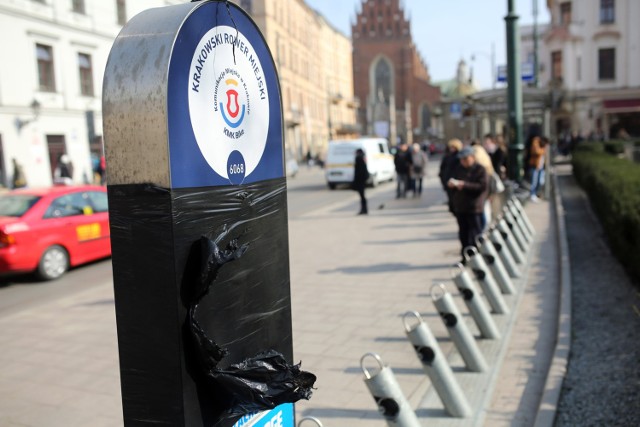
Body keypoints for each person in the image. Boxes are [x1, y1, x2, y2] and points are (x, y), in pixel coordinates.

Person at [447, 147, 488, 257]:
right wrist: (453, 185)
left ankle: (478, 256)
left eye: (466, 159)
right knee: (463, 234)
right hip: (461, 207)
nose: (463, 162)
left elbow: (482, 186)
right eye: (462, 160)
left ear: (472, 157)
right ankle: (465, 256)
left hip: (474, 207)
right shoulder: (458, 168)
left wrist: (464, 185)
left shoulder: (480, 169)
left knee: (475, 234)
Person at [472, 144, 495, 229]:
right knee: (486, 210)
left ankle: (483, 229)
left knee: (483, 211)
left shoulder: (479, 167)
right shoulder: (487, 161)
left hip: (483, 192)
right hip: (487, 191)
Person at [439, 139, 463, 213]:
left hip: (456, 180)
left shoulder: (460, 156)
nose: (452, 149)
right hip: (447, 179)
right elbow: (443, 168)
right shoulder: (447, 156)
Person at [528, 136, 548, 202]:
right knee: (534, 181)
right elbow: (536, 151)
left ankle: (535, 194)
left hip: (540, 166)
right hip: (535, 165)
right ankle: (532, 194)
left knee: (540, 181)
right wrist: (543, 150)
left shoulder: (542, 146)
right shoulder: (536, 142)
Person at [352, 148, 370, 215]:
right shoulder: (362, 158)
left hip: (360, 181)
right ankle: (364, 209)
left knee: (362, 196)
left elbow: (358, 171)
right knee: (362, 196)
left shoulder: (358, 158)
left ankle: (364, 209)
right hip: (362, 180)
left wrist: (355, 181)